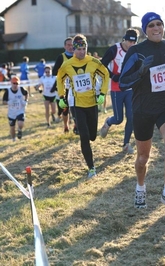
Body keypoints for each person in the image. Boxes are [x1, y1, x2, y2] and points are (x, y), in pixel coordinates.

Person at [119, 12, 165, 214]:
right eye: (151, 26)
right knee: (143, 158)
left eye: (159, 24)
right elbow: (123, 82)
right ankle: (140, 187)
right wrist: (140, 71)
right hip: (143, 109)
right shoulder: (137, 51)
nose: (156, 28)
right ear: (145, 30)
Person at [57, 34, 109, 178]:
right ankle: (91, 168)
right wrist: (62, 97)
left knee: (92, 135)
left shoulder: (93, 62)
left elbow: (105, 75)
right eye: (79, 49)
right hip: (76, 104)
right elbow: (59, 79)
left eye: (84, 48)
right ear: (74, 49)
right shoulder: (67, 65)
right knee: (84, 136)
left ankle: (94, 135)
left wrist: (103, 94)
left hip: (92, 103)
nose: (82, 51)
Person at [100, 28, 139, 154]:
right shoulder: (114, 49)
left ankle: (126, 144)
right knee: (118, 119)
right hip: (117, 89)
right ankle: (108, 122)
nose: (131, 45)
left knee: (132, 117)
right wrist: (113, 76)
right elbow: (102, 65)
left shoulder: (135, 51)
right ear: (124, 39)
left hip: (130, 88)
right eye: (129, 42)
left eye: (134, 42)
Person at [51, 37, 76, 134]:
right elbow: (54, 72)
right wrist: (64, 72)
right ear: (64, 46)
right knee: (65, 109)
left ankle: (76, 125)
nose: (70, 47)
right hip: (66, 87)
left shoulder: (78, 55)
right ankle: (66, 126)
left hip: (76, 87)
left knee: (76, 107)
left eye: (72, 45)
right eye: (68, 45)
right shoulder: (61, 57)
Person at [2, 76, 29, 142]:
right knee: (12, 127)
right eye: (14, 83)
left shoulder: (21, 89)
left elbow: (26, 93)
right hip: (11, 112)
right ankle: (13, 139)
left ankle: (19, 130)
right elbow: (3, 102)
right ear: (11, 83)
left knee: (20, 123)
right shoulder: (8, 91)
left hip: (20, 110)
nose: (15, 85)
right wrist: (8, 102)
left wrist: (26, 101)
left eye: (16, 83)